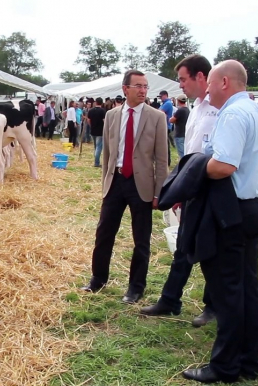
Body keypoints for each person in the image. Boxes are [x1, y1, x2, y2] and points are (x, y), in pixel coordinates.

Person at [182, 60, 258, 384]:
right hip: (254, 207)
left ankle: (225, 366)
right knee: (248, 287)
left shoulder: (233, 114)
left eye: (211, 83)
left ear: (223, 82)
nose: (206, 89)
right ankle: (248, 362)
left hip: (232, 210)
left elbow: (224, 166)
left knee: (228, 291)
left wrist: (193, 169)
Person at [140, 55, 218, 327]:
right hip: (193, 183)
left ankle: (213, 305)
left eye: (183, 79)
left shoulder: (220, 107)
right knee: (184, 244)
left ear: (200, 77)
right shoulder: (196, 107)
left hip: (213, 184)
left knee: (211, 248)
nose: (180, 85)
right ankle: (170, 299)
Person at [80, 70, 169, 303]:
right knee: (104, 233)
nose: (142, 90)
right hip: (116, 181)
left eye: (145, 86)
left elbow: (162, 160)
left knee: (141, 239)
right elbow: (108, 154)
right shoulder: (111, 116)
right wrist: (105, 185)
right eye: (138, 86)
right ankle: (98, 278)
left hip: (142, 186)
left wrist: (160, 193)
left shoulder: (157, 117)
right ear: (125, 89)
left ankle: (136, 288)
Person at [87, 97, 106, 167]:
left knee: (95, 146)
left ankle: (96, 160)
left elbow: (88, 120)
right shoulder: (103, 111)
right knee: (99, 147)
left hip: (93, 130)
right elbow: (104, 121)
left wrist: (91, 125)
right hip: (100, 131)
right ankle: (96, 162)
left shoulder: (91, 111)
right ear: (102, 103)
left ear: (96, 102)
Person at [169, 94, 190, 159]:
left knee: (181, 153)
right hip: (185, 133)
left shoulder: (180, 110)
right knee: (185, 151)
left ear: (178, 101)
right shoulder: (187, 110)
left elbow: (171, 120)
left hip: (179, 134)